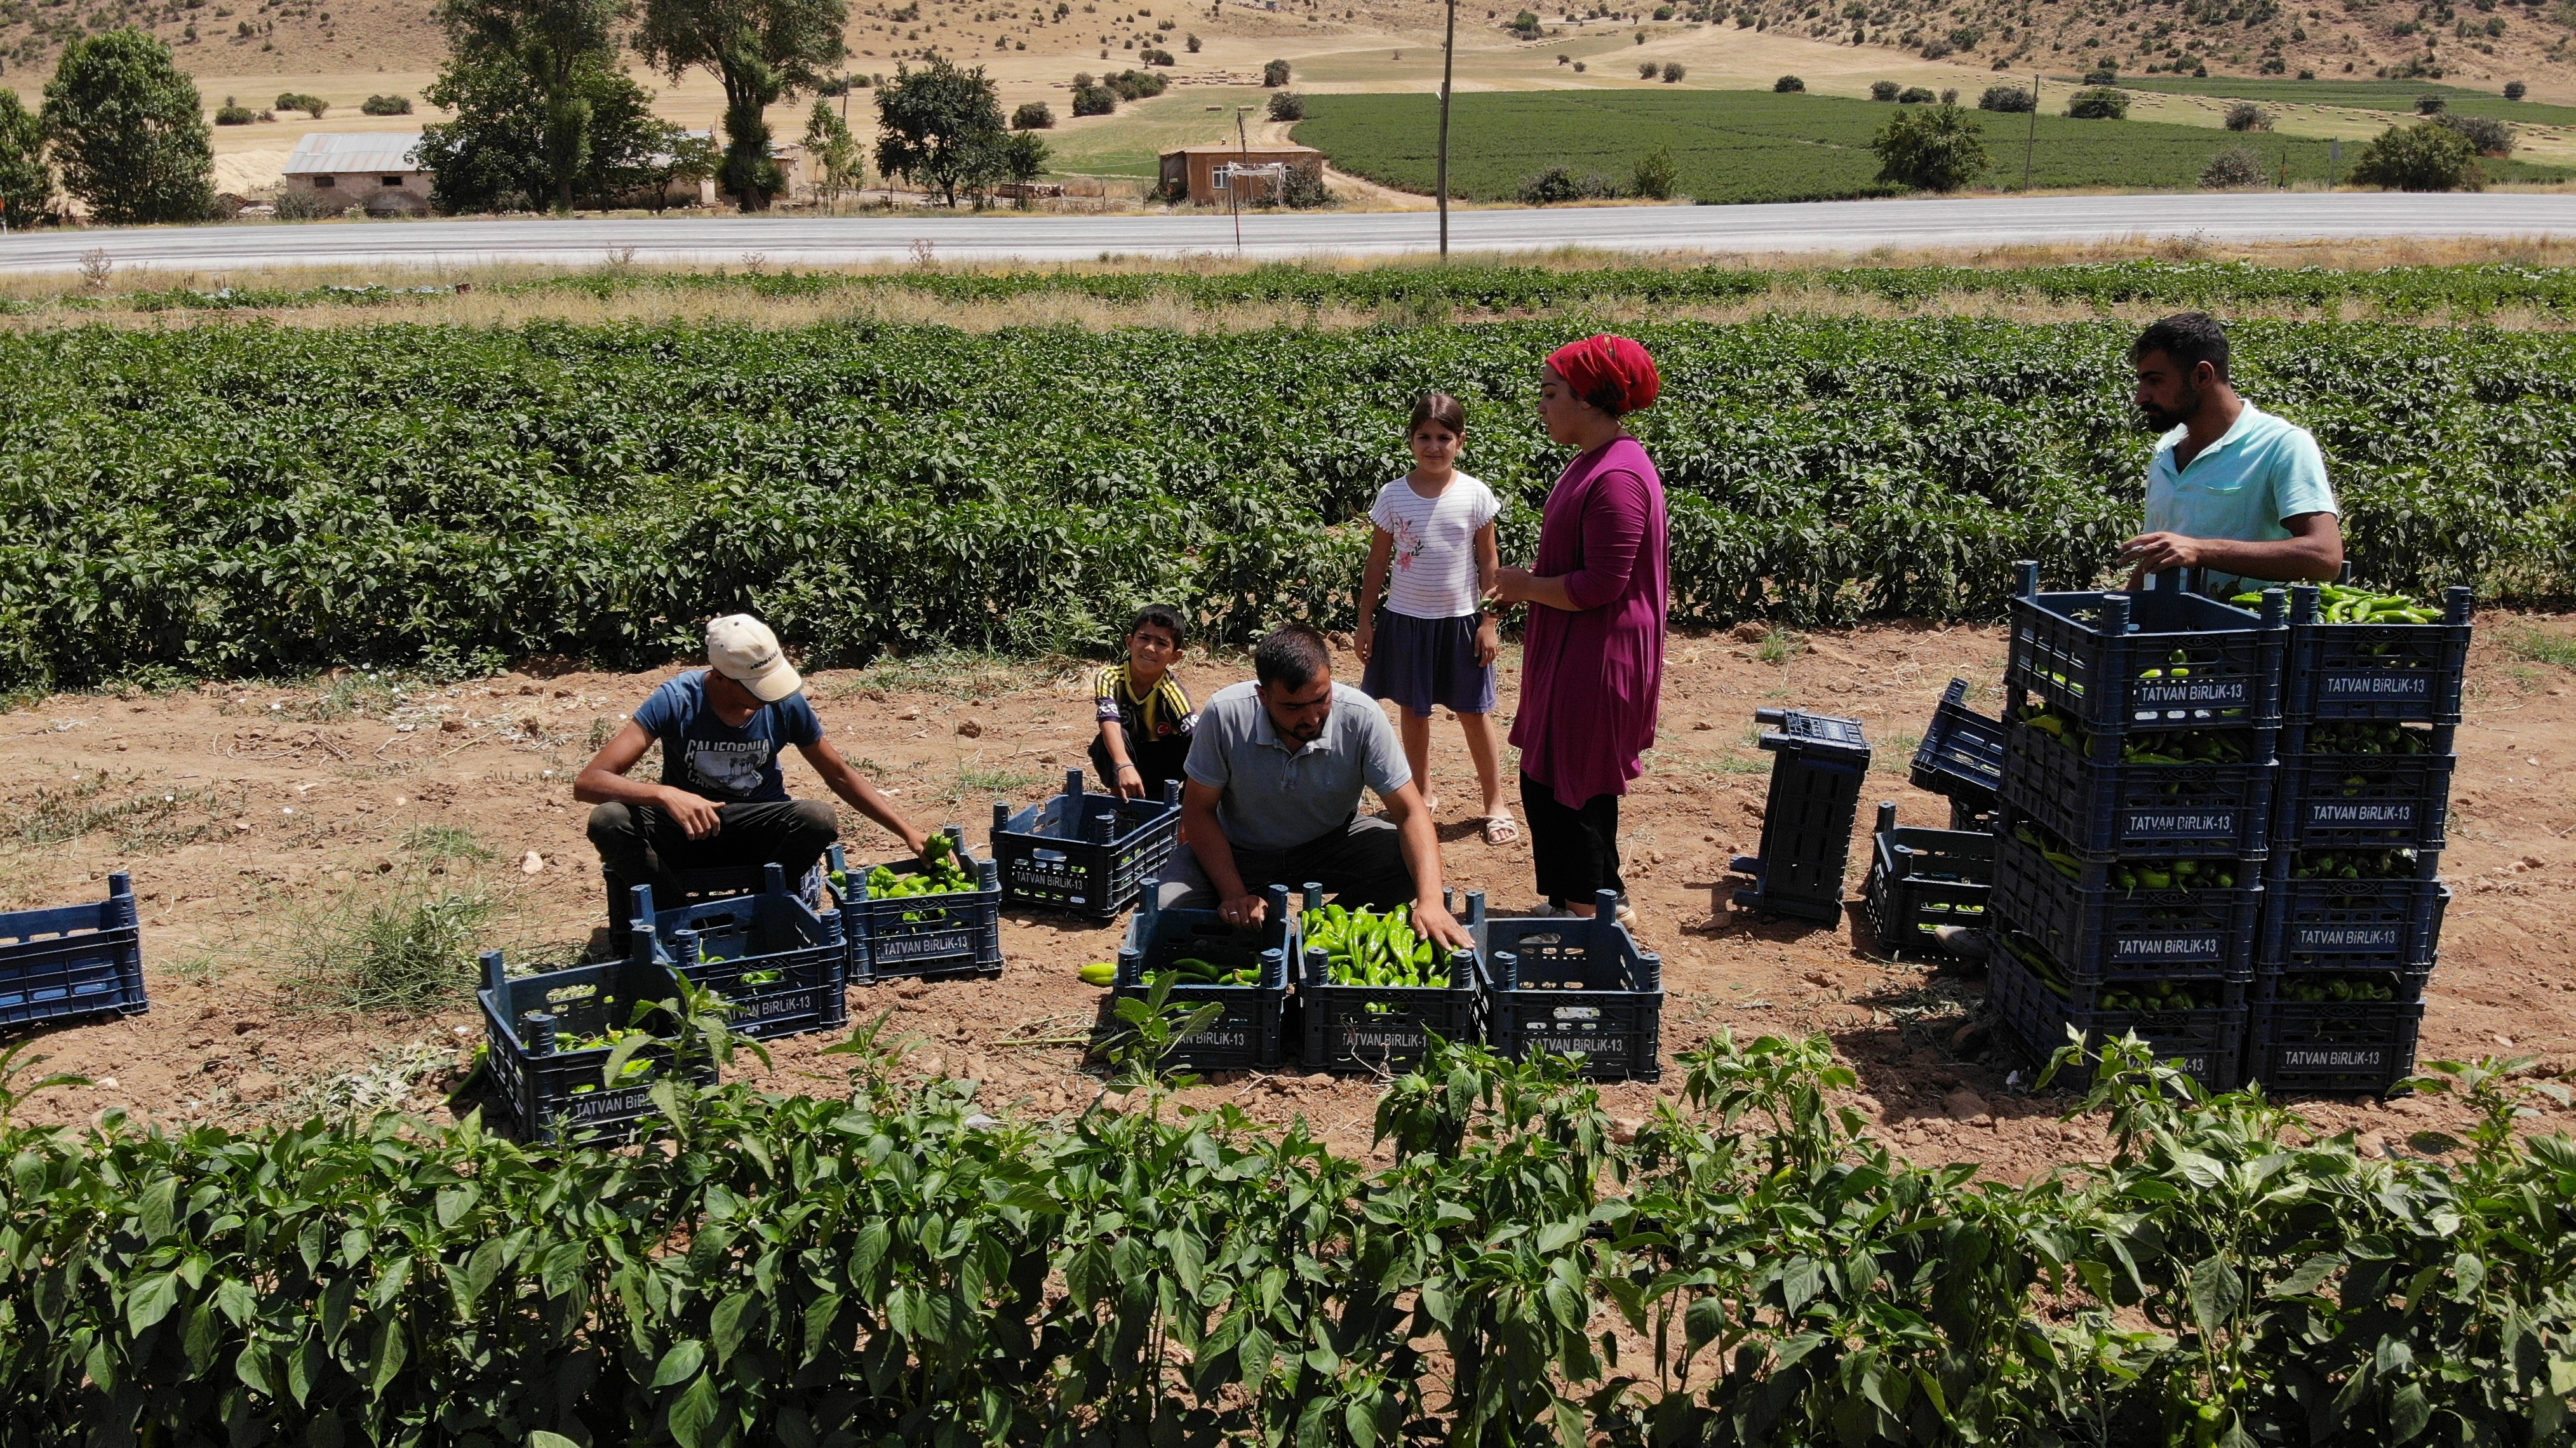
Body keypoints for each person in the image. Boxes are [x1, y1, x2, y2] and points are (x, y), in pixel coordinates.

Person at [1489, 335, 1669, 923]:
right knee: (1550, 777)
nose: (1541, 405)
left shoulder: (1618, 477)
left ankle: (1589, 917)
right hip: (1575, 645)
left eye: (1550, 393)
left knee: (1577, 785)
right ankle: (1581, 901)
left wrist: (1522, 586)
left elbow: (1599, 586)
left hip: (1600, 654)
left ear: (1589, 400)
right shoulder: (1593, 461)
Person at [1156, 624, 1473, 950]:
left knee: (1408, 865)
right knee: (1166, 909)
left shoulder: (1361, 717)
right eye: (1293, 707)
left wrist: (1431, 900)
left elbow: (1409, 811)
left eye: (1321, 699)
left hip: (1328, 843)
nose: (1312, 718)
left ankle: (1318, 933)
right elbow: (1198, 811)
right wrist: (1234, 894)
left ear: (1331, 679)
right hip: (1239, 849)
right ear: (1263, 696)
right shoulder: (1226, 714)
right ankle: (1249, 927)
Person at [578, 613, 929, 895]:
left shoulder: (785, 704)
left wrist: (908, 833)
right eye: (756, 688)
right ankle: (674, 916)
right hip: (688, 831)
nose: (768, 696)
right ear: (720, 677)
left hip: (756, 827)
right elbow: (590, 782)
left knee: (817, 818)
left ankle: (765, 904)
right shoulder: (678, 699)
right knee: (609, 819)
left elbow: (837, 773)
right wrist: (665, 794)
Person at [1355, 392, 1515, 845]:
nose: (1434, 446)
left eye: (1444, 437)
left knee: (1473, 710)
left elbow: (1490, 563)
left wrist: (1489, 621)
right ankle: (1421, 796)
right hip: (1406, 621)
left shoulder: (1475, 494)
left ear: (1460, 442)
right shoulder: (1393, 496)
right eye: (1424, 436)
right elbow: (1377, 564)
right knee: (1414, 710)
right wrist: (1366, 621)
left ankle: (1495, 803)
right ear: (1410, 441)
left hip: (1460, 621)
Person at [2119, 312, 2344, 596]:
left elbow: (2324, 557)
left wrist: (2201, 550)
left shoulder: (2281, 445)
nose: (2141, 396)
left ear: (2202, 375)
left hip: (2241, 632)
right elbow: (2160, 555)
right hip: (2166, 632)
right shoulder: (2167, 450)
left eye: (2155, 381)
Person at [1090, 604, 1198, 801]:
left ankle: (1180, 803)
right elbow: (1109, 722)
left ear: (1175, 657)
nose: (1150, 648)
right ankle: (1122, 800)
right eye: (1144, 638)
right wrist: (1124, 766)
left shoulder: (1173, 693)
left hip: (1164, 767)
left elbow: (1197, 740)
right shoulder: (1110, 678)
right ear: (1130, 643)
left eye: (1162, 644)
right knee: (1105, 741)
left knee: (1194, 745)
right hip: (1128, 761)